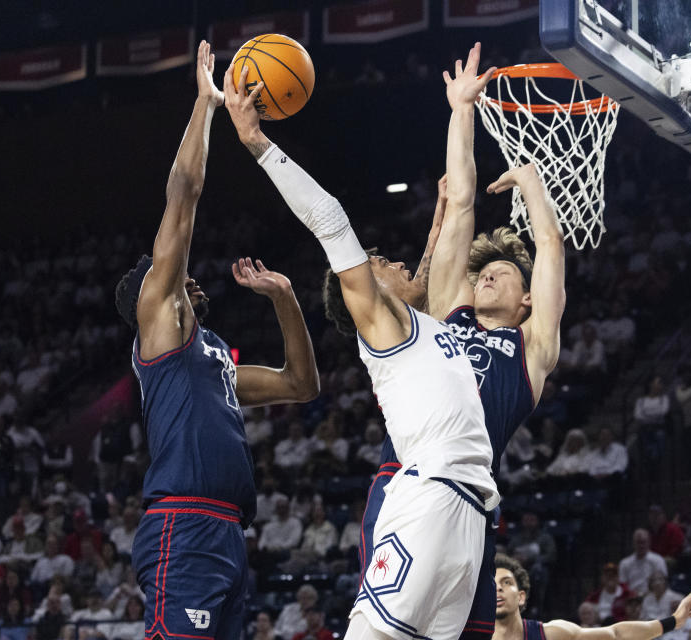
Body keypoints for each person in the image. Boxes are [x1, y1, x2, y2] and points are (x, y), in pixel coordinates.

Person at [225, 43, 500, 640]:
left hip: (470, 511)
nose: (389, 258)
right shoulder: (384, 327)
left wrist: (460, 110)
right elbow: (330, 219)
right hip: (427, 500)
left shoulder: (428, 323)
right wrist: (254, 143)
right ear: (362, 295)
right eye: (375, 260)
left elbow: (459, 212)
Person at [357, 40, 571, 640]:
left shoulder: (532, 351)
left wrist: (531, 183)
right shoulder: (452, 313)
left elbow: (551, 249)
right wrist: (461, 109)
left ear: (527, 301)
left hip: (474, 501)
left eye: (503, 274)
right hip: (407, 474)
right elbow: (460, 207)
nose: (486, 277)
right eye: (483, 272)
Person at [114, 42, 320, 640]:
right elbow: (183, 194)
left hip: (228, 531)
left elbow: (301, 385)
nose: (187, 276)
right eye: (169, 276)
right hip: (184, 523)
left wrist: (284, 299)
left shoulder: (212, 362)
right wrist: (205, 105)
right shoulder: (161, 329)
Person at [492, 553, 691, 640]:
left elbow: (617, 634)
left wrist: (674, 621)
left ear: (521, 597)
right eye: (492, 586)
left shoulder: (550, 633)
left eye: (506, 582)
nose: (498, 589)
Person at [619, 530, 668, 595]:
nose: (641, 545)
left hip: (653, 595)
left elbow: (663, 582)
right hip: (631, 599)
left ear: (649, 542)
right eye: (638, 542)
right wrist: (632, 594)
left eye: (643, 542)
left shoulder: (658, 560)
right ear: (633, 543)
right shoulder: (624, 563)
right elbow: (622, 584)